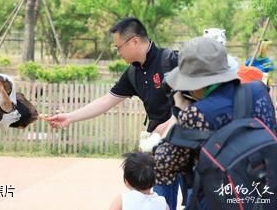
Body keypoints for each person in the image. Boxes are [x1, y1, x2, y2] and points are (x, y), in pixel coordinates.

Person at [46, 17, 180, 210]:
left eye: (118, 47)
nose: (118, 52)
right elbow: (107, 100)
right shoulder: (133, 73)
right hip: (158, 150)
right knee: (160, 202)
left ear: (134, 41)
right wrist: (70, 117)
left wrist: (168, 125)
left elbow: (194, 101)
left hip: (186, 144)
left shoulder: (171, 61)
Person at [153, 37, 276, 209]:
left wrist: (180, 113)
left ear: (194, 84)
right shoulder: (259, 92)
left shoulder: (196, 114)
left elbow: (163, 168)